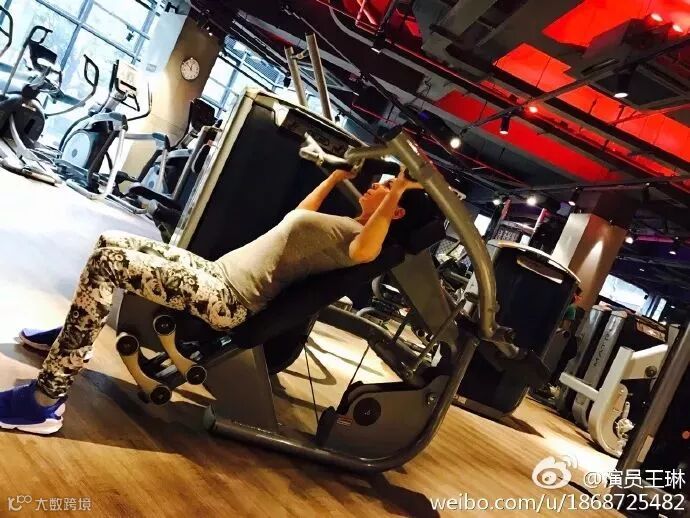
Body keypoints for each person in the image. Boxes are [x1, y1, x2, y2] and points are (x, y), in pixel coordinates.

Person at [1, 169, 421, 435]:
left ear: (397, 212)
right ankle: (74, 336)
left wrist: (400, 189)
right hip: (214, 272)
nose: (375, 185)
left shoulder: (362, 241)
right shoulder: (345, 222)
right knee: (110, 241)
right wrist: (334, 178)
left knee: (108, 264)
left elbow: (367, 253)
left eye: (384, 187)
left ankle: (45, 402)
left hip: (227, 298)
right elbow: (296, 216)